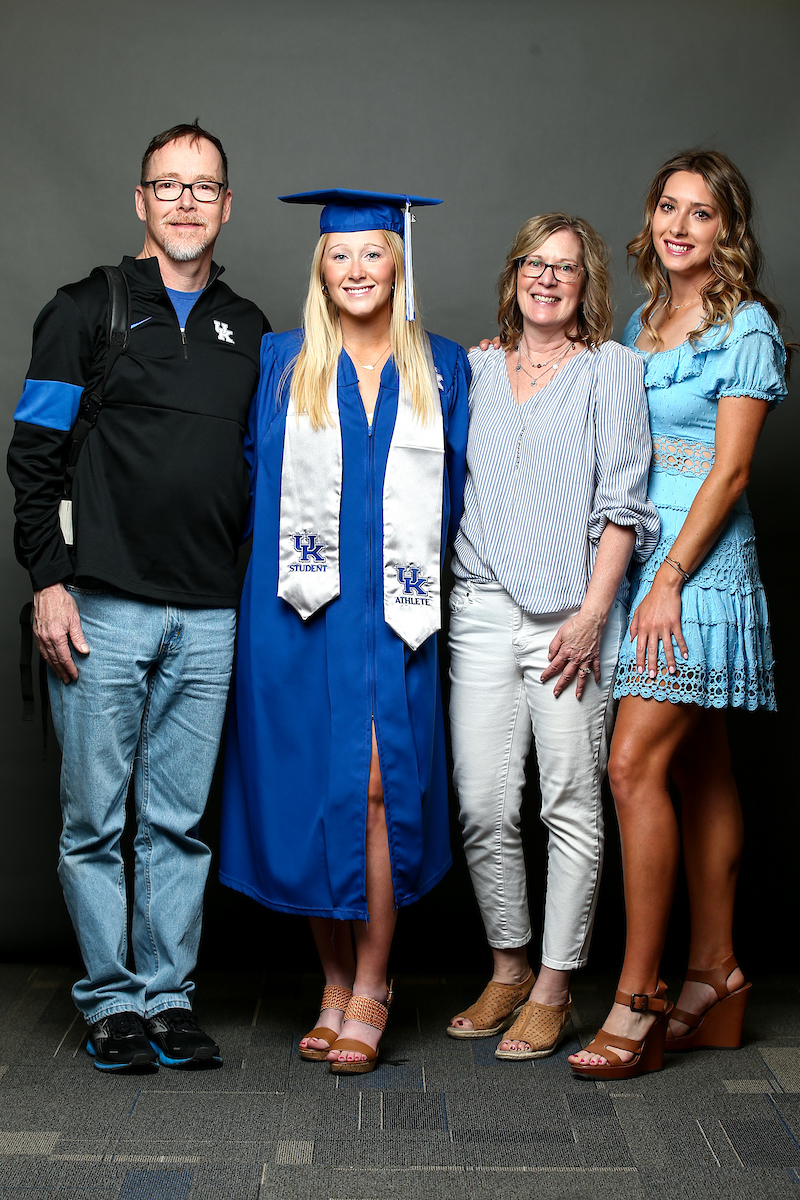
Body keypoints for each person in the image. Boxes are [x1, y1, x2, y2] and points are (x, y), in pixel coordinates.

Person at [7, 121, 269, 1071]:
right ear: (141, 202)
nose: (188, 201)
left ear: (226, 204)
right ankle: (110, 1002)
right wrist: (47, 582)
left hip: (210, 615)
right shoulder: (84, 309)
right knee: (94, 822)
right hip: (101, 607)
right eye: (170, 186)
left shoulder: (252, 329)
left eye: (205, 187)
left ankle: (167, 1000)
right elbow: (33, 458)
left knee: (178, 823)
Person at [219, 189, 469, 1074]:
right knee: (310, 792)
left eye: (373, 254)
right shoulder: (282, 361)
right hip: (295, 613)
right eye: (340, 256)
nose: (357, 270)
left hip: (398, 616)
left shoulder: (443, 366)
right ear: (319, 269)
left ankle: (373, 982)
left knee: (375, 791)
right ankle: (330, 982)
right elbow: (244, 476)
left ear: (398, 262)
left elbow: (465, 487)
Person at [569, 150, 789, 1081]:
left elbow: (734, 471)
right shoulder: (643, 321)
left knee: (631, 765)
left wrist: (668, 580)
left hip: (697, 568)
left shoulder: (746, 327)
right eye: (668, 206)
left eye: (702, 213)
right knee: (698, 767)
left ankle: (641, 995)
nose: (680, 225)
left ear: (727, 231)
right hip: (643, 563)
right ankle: (717, 974)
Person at [445, 214, 658, 1059]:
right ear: (514, 275)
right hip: (479, 608)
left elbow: (623, 503)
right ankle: (507, 966)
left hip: (569, 617)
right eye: (535, 263)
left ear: (586, 285)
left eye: (565, 268)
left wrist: (593, 614)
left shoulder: (612, 369)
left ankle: (555, 986)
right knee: (484, 804)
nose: (547, 278)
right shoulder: (475, 367)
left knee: (568, 803)